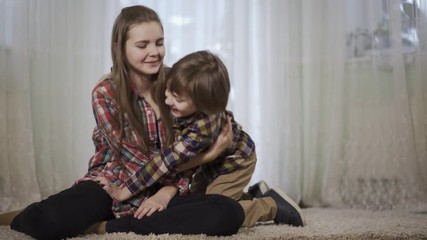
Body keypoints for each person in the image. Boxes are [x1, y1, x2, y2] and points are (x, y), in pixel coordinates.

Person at [0, 5, 244, 239]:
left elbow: (192, 141)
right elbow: (136, 159)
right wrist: (206, 158)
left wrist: (166, 193)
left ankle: (111, 227)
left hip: (164, 188)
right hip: (115, 183)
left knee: (227, 212)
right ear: (119, 48)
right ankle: (28, 217)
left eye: (159, 43)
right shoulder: (105, 92)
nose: (154, 52)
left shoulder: (177, 83)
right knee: (50, 221)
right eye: (142, 45)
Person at [98, 50, 306, 228]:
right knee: (192, 203)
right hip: (208, 164)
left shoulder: (201, 129)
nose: (167, 100)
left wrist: (125, 191)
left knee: (215, 210)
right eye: (169, 90)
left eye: (177, 99)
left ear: (202, 103)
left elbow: (165, 163)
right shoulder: (189, 101)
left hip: (234, 163)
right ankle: (253, 194)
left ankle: (269, 206)